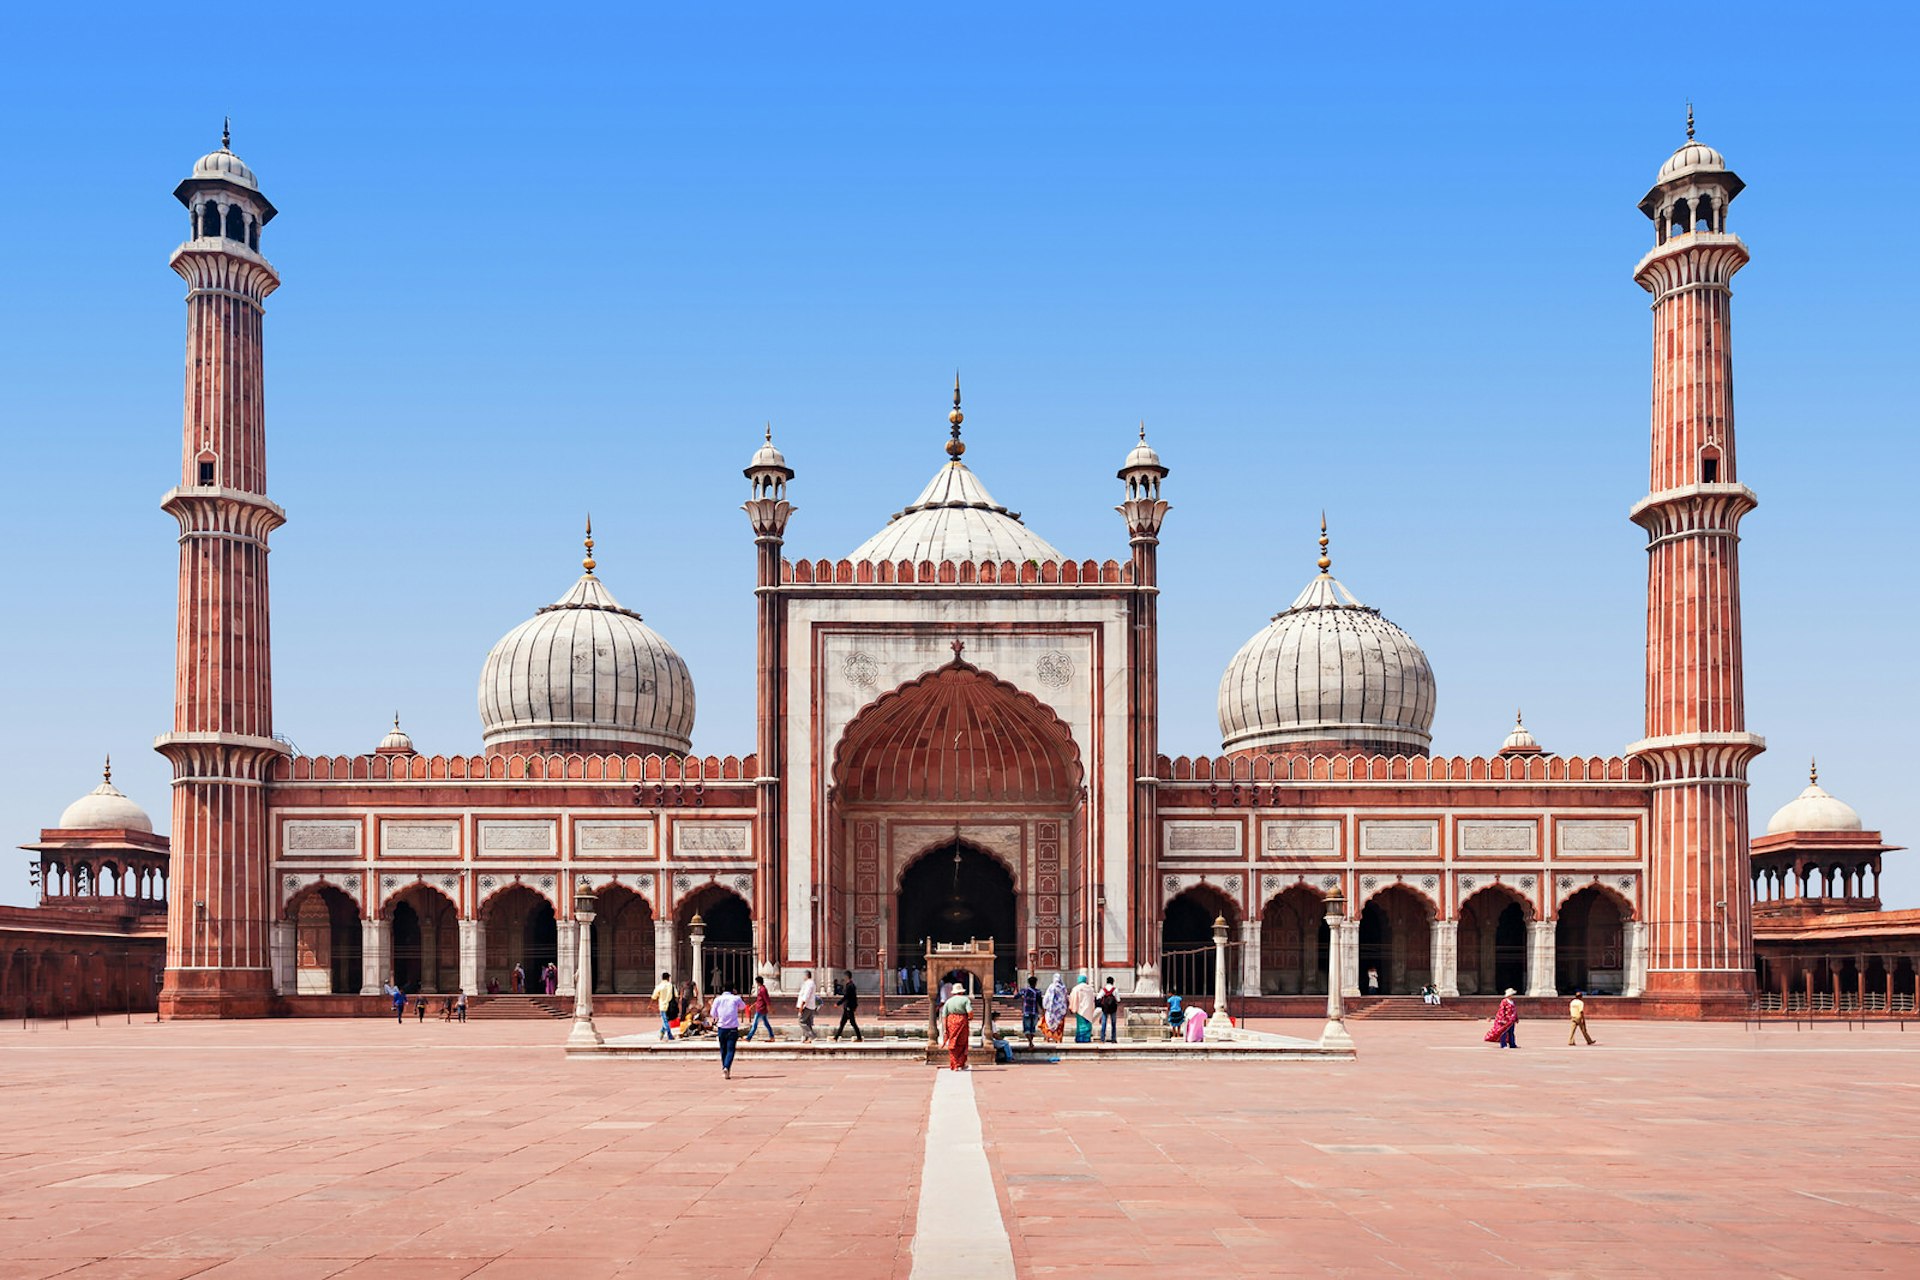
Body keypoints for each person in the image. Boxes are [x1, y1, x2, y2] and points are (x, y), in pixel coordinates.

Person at [710, 985, 746, 1080]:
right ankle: (726, 1066)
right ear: (733, 989)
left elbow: (712, 1013)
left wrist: (719, 1014)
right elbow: (743, 1007)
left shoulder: (718, 999)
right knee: (731, 1049)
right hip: (732, 1027)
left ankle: (725, 1068)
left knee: (723, 1049)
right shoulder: (735, 998)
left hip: (721, 1027)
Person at [943, 983, 973, 1070]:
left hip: (951, 1021)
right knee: (962, 1043)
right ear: (961, 992)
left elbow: (944, 1015)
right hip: (962, 1021)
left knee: (952, 1043)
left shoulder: (948, 1001)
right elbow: (970, 1011)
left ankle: (954, 1064)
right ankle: (960, 1063)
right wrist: (970, 1018)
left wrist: (945, 1028)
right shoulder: (965, 1000)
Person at [834, 970, 863, 1041]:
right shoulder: (851, 985)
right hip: (848, 1007)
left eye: (844, 977)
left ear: (847, 977)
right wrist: (855, 1006)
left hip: (848, 1007)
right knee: (843, 1023)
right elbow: (854, 997)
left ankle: (859, 1038)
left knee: (852, 1023)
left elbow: (846, 997)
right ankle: (836, 1037)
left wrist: (838, 1003)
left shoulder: (850, 986)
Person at [1041, 973, 1069, 1044]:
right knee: (1059, 1025)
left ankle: (1048, 1038)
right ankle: (1059, 1039)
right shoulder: (1063, 988)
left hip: (1051, 1010)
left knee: (1048, 1024)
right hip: (1060, 1011)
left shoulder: (1051, 987)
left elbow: (1047, 997)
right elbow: (1065, 998)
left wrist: (1044, 1006)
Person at [1068, 974, 1095, 1044]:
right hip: (1088, 1009)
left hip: (1080, 1010)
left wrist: (1072, 1007)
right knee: (1087, 1024)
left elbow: (1073, 998)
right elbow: (1093, 1000)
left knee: (1080, 1025)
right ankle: (1086, 1038)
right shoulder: (1090, 989)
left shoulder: (1076, 988)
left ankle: (1080, 1038)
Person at [1018, 975, 1042, 1048]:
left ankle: (1030, 1042)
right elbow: (1040, 1002)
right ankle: (1031, 1042)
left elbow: (1016, 996)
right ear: (1035, 983)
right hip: (1034, 1012)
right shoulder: (1038, 992)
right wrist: (1043, 1009)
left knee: (1027, 1029)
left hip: (1027, 1012)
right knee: (1032, 1029)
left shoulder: (1025, 990)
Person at [651, 971, 676, 1041]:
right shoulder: (671, 986)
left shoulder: (659, 986)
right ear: (668, 978)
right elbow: (676, 995)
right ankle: (663, 1032)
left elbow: (654, 996)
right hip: (671, 1006)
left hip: (662, 1006)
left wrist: (650, 1005)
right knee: (666, 1021)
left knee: (665, 1021)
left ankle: (669, 1034)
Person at [797, 970, 819, 1043]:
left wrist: (801, 1006)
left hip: (807, 1006)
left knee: (801, 1021)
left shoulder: (809, 984)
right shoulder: (810, 983)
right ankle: (807, 1038)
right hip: (810, 1006)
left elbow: (806, 995)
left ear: (806, 975)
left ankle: (812, 1036)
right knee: (808, 1023)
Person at [1095, 977, 1120, 1044]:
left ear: (1107, 982)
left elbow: (1098, 997)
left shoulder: (1103, 989)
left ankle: (1102, 1039)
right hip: (1113, 1008)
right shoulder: (1115, 989)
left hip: (1105, 1008)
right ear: (1112, 982)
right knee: (1113, 1024)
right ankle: (1113, 1039)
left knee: (1104, 1023)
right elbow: (1118, 1000)